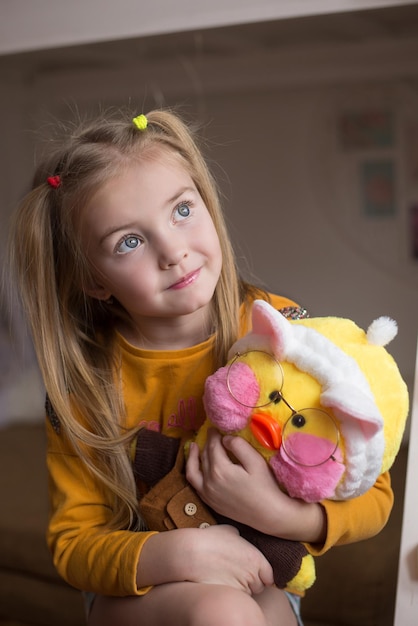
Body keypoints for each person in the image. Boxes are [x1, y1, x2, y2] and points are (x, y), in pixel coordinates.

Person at [7, 108, 394, 626]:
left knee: (271, 612)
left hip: (260, 572)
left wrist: (283, 515)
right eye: (129, 241)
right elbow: (75, 546)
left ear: (207, 203)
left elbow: (375, 493)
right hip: (137, 591)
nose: (173, 251)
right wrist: (183, 555)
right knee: (221, 611)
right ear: (94, 280)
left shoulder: (283, 334)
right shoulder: (87, 387)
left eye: (182, 210)